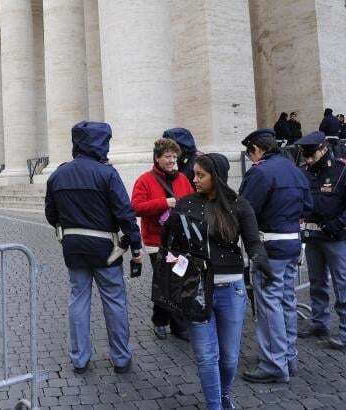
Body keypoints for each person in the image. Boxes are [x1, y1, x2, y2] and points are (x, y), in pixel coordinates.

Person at [162, 154, 272, 409]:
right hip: (197, 290)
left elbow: (253, 241)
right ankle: (215, 406)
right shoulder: (185, 205)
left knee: (230, 357)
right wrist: (181, 272)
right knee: (205, 356)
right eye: (194, 174)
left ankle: (223, 396)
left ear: (217, 177)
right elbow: (170, 248)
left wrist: (259, 257)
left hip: (231, 289)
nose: (194, 179)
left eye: (201, 175)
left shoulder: (239, 205)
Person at [45, 121, 142, 375]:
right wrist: (136, 245)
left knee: (78, 300)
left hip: (73, 247)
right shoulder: (107, 173)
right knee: (114, 301)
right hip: (105, 249)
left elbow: (50, 214)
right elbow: (125, 213)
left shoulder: (58, 174)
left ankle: (79, 359)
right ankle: (120, 358)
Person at [239, 129, 313, 384]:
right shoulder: (295, 170)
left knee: (269, 305)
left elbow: (245, 208)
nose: (251, 159)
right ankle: (288, 358)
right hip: (293, 243)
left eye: (251, 154)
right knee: (287, 301)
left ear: (257, 150)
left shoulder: (260, 172)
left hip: (270, 247)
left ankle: (274, 363)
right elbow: (308, 206)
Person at [295, 131, 346, 349]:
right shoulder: (305, 171)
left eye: (311, 155)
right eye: (305, 156)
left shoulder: (344, 170)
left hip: (335, 237)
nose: (308, 160)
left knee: (341, 284)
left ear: (323, 149)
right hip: (312, 236)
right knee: (316, 282)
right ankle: (319, 322)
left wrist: (339, 222)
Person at [131, 138, 193, 341]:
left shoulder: (182, 179)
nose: (172, 160)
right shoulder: (144, 180)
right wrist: (164, 203)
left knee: (178, 280)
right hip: (156, 241)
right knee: (165, 281)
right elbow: (136, 207)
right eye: (167, 156)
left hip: (181, 240)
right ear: (157, 158)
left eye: (175, 157)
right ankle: (162, 321)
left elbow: (192, 201)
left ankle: (174, 323)